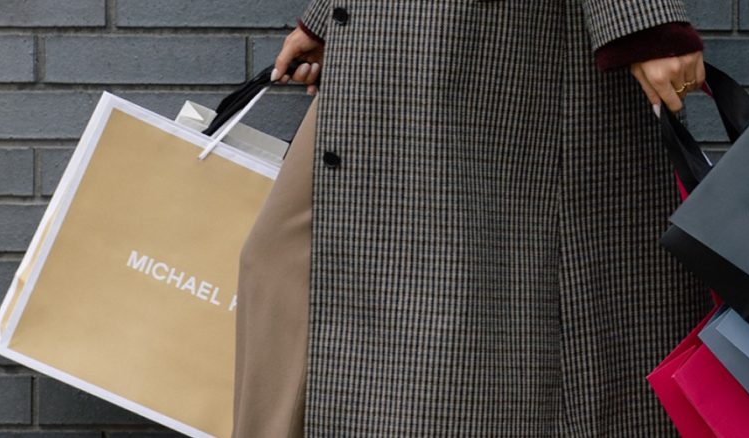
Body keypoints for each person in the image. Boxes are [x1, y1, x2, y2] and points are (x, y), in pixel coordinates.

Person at [237, 1, 712, 435]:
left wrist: (646, 23)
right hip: (390, 40)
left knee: (454, 320)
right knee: (283, 264)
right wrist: (338, 16)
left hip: (486, 48)